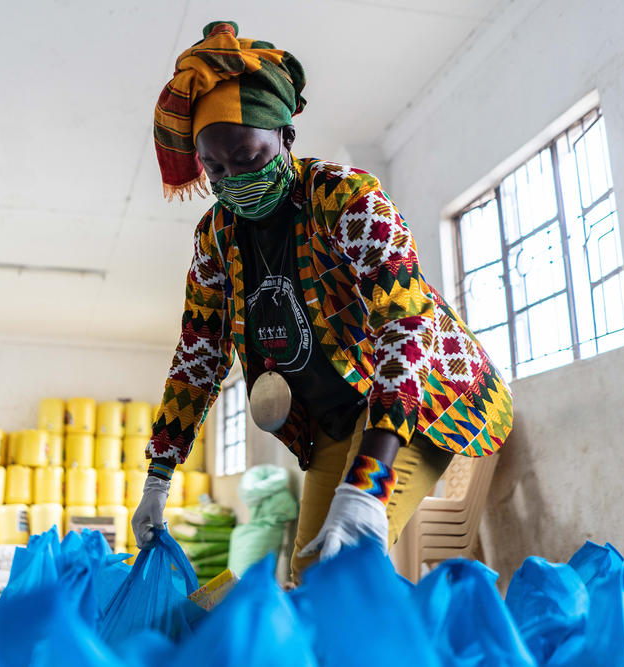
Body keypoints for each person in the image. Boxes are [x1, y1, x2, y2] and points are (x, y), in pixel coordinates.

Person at [131, 20, 513, 585]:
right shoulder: (216, 235)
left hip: (418, 400)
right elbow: (199, 352)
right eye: (215, 168)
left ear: (286, 137)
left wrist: (367, 486)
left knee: (340, 571)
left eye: (248, 157)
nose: (234, 180)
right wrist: (159, 475)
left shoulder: (347, 199)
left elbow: (406, 326)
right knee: (308, 574)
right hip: (334, 419)